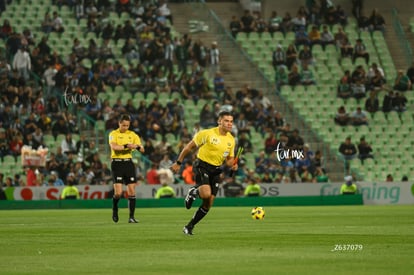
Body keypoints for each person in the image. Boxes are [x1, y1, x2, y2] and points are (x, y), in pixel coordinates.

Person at [170, 111, 238, 235]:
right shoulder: (207, 133)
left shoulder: (231, 140)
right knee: (206, 194)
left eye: (231, 121)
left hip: (216, 170)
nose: (229, 124)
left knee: (208, 203)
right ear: (219, 121)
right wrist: (178, 163)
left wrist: (233, 164)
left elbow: (229, 160)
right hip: (202, 165)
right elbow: (188, 147)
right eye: (226, 121)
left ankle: (189, 226)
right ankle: (193, 192)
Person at [109, 114, 145, 224]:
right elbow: (114, 147)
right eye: (123, 125)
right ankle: (115, 208)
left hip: (128, 163)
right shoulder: (113, 134)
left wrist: (137, 147)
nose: (125, 127)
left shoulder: (133, 135)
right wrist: (127, 146)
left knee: (132, 191)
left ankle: (131, 217)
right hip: (117, 163)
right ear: (119, 123)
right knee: (118, 193)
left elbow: (142, 149)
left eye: (127, 125)